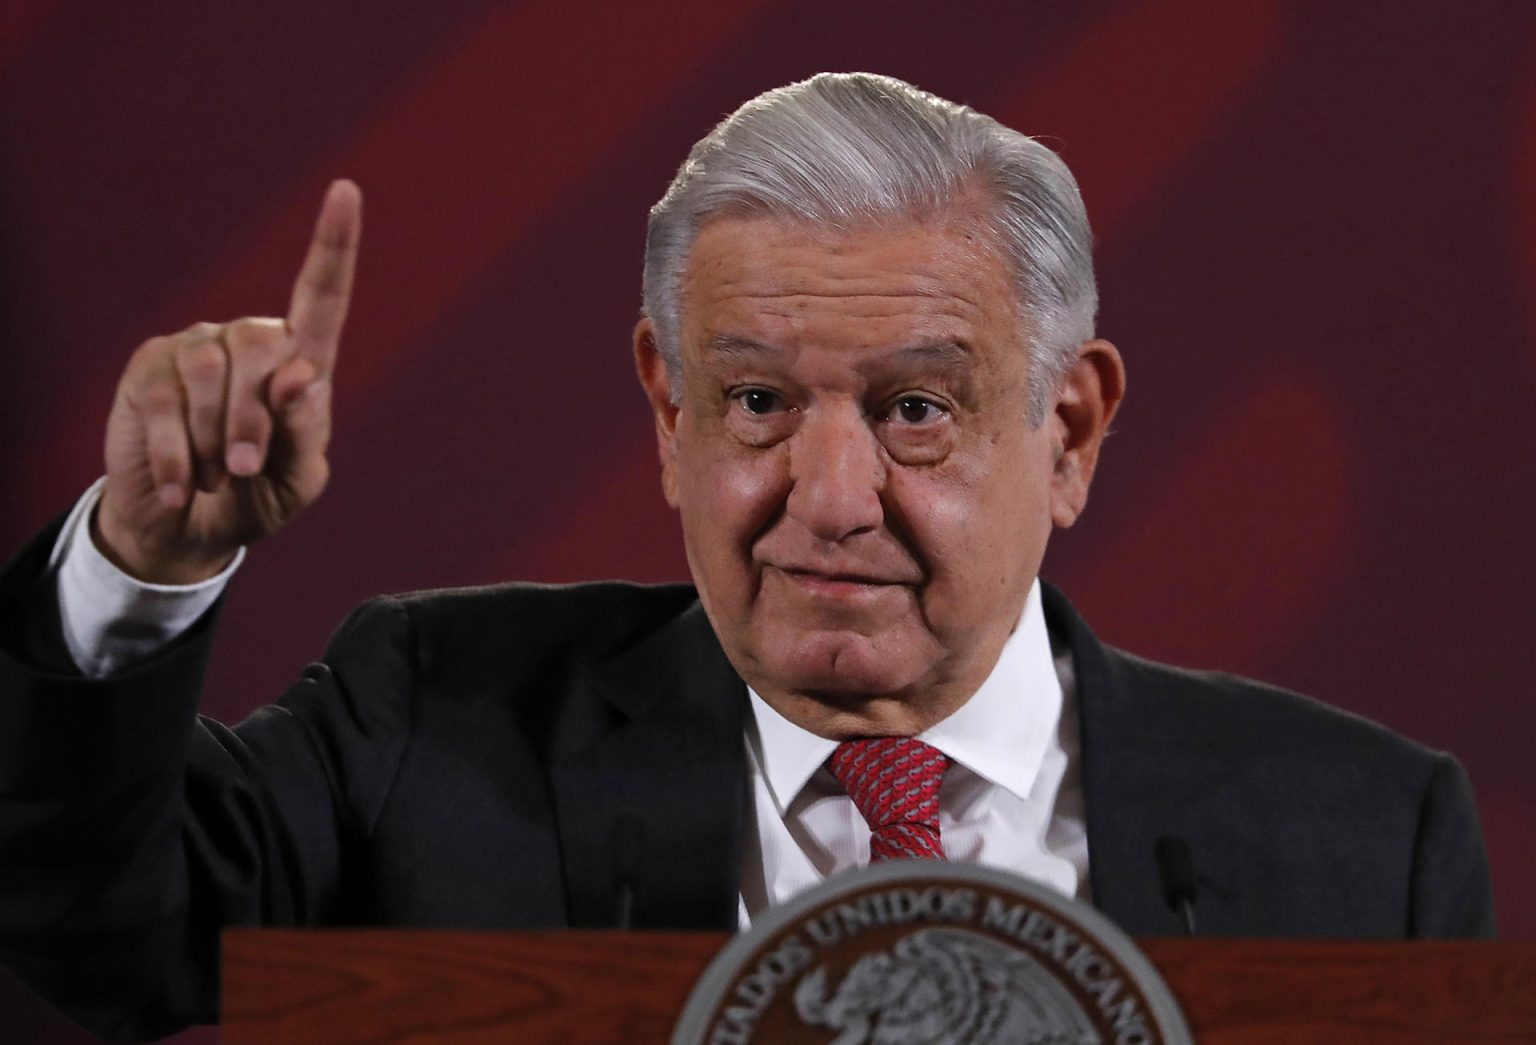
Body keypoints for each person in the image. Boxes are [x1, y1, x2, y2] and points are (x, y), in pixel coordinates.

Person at [0, 73, 1494, 1042]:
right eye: (760, 402)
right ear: (667, 408)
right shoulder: (432, 723)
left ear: (1073, 427)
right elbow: (89, 939)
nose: (829, 496)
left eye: (915, 409)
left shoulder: (1367, 843)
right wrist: (138, 564)